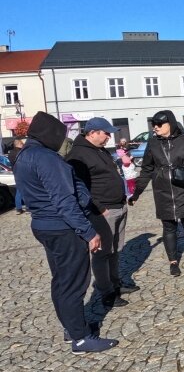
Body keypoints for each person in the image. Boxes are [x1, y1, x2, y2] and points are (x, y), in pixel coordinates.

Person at [12, 112, 119, 354]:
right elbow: (64, 200)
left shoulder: (24, 155)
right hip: (62, 227)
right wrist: (88, 232)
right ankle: (80, 339)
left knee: (61, 280)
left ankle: (72, 327)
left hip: (43, 224)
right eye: (60, 136)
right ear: (50, 135)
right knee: (73, 282)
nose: (62, 141)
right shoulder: (47, 158)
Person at [129, 110, 184, 276]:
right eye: (153, 125)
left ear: (170, 123)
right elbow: (146, 169)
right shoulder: (153, 144)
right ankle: (173, 261)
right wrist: (137, 192)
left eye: (159, 124)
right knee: (168, 228)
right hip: (163, 191)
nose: (155, 127)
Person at [67, 117, 137, 308]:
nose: (109, 137)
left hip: (118, 205)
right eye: (106, 133)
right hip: (102, 211)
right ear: (92, 132)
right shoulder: (78, 154)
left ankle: (115, 284)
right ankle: (106, 292)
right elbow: (79, 187)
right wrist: (99, 208)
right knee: (102, 253)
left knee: (115, 250)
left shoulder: (100, 150)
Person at [8, 137, 25, 214]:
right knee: (26, 190)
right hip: (23, 172)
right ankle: (30, 206)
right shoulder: (21, 152)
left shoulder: (11, 153)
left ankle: (18, 208)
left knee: (19, 191)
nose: (23, 145)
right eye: (22, 143)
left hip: (16, 173)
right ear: (19, 144)